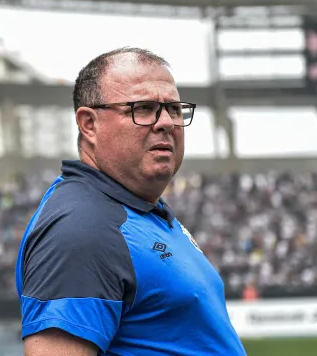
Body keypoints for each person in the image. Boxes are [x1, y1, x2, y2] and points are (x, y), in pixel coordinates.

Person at [15, 47, 246, 355]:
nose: (166, 122)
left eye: (174, 109)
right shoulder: (83, 227)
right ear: (89, 124)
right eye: (144, 108)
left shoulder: (140, 210)